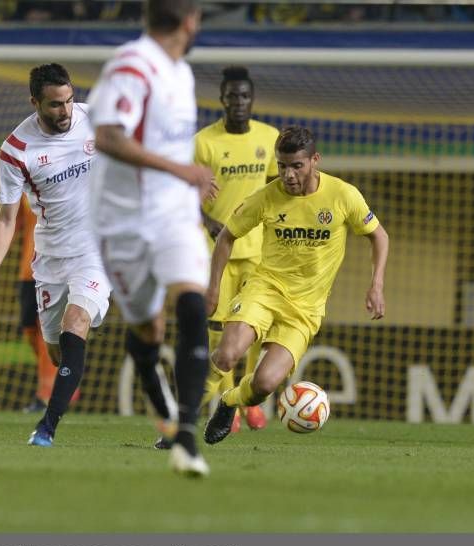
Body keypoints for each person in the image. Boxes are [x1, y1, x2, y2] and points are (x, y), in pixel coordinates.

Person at [86, 0, 217, 477]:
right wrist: (179, 168)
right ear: (189, 21)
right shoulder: (131, 65)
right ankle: (146, 364)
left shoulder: (180, 73)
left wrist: (180, 181)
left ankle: (186, 436)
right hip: (122, 224)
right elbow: (107, 137)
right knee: (149, 330)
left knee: (192, 305)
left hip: (174, 217)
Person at [203, 125, 389, 445]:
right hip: (264, 290)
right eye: (282, 165)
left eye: (297, 165)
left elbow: (379, 236)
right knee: (226, 354)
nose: (288, 175)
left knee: (264, 384)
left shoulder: (343, 195)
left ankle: (230, 402)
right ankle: (181, 414)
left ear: (314, 160)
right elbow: (227, 236)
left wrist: (376, 284)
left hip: (305, 310)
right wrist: (213, 288)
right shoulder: (265, 197)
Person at [0, 63, 113, 447]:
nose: (65, 112)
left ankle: (47, 426)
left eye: (68, 101)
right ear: (34, 102)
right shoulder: (16, 151)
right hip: (49, 258)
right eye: (54, 105)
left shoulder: (95, 117)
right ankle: (70, 362)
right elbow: (6, 219)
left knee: (75, 321)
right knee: (55, 348)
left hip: (97, 251)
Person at [153, 66, 277, 450]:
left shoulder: (269, 139)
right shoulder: (203, 143)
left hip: (258, 250)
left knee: (255, 331)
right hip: (216, 250)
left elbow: (278, 188)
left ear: (251, 100)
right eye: (231, 97)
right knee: (218, 333)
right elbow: (179, 192)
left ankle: (243, 397)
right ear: (222, 100)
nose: (238, 103)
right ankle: (232, 411)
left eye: (244, 96)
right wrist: (205, 219)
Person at [15, 195, 79, 414]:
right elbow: (11, 222)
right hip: (27, 270)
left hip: (53, 266)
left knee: (47, 332)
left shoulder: (62, 178)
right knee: (29, 330)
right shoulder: (20, 181)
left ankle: (47, 394)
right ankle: (67, 373)